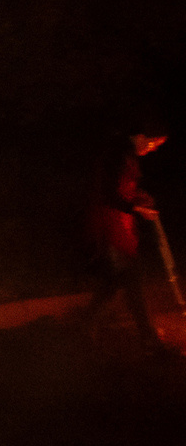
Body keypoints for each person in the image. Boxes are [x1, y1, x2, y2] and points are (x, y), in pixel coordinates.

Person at [85, 121, 171, 352]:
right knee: (129, 281)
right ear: (140, 136)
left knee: (115, 284)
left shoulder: (128, 156)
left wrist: (140, 197)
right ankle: (147, 336)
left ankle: (86, 328)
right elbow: (108, 194)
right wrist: (136, 208)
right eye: (153, 143)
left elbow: (125, 190)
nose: (153, 148)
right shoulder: (115, 156)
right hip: (110, 227)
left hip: (122, 229)